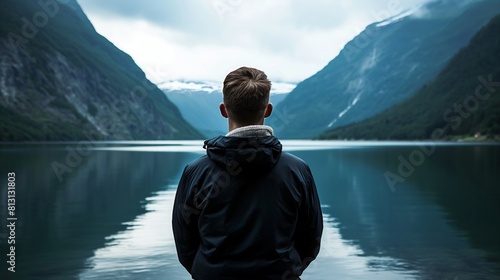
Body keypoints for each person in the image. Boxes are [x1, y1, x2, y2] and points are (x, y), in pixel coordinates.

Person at [172, 66, 323, 280]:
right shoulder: (297, 170)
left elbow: (185, 244)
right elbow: (311, 241)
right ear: (268, 110)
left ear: (224, 109)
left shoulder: (196, 172)